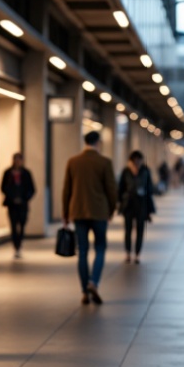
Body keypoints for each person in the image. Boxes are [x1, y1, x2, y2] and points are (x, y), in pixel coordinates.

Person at [62, 130, 118, 304]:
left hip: (78, 212)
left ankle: (84, 291)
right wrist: (111, 210)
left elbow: (66, 190)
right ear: (98, 143)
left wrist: (65, 214)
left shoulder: (73, 162)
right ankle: (94, 282)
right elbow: (112, 190)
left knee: (83, 252)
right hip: (99, 212)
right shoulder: (105, 162)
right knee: (100, 248)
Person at [118, 150, 155, 263]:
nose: (137, 162)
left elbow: (149, 189)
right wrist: (120, 201)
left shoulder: (145, 171)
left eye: (139, 160)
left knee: (140, 230)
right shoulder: (126, 171)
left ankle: (137, 254)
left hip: (141, 203)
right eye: (135, 160)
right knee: (128, 229)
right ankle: (128, 252)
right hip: (128, 204)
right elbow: (120, 188)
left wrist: (149, 208)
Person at [0, 152, 35, 259]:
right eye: (16, 159)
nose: (18, 162)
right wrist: (11, 197)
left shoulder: (26, 173)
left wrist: (25, 198)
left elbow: (32, 189)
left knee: (22, 223)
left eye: (20, 160)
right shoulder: (7, 173)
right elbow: (3, 187)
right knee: (13, 225)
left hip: (23, 204)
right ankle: (16, 246)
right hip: (12, 204)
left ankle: (19, 243)